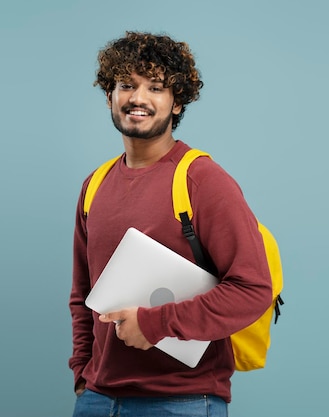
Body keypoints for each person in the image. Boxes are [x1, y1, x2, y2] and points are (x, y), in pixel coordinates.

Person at [69, 31, 273, 416]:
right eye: (126, 85)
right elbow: (82, 292)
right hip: (97, 399)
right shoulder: (94, 185)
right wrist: (82, 371)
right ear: (110, 96)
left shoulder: (202, 180)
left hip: (182, 401)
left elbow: (253, 288)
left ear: (177, 102)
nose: (138, 98)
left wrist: (155, 323)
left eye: (156, 87)